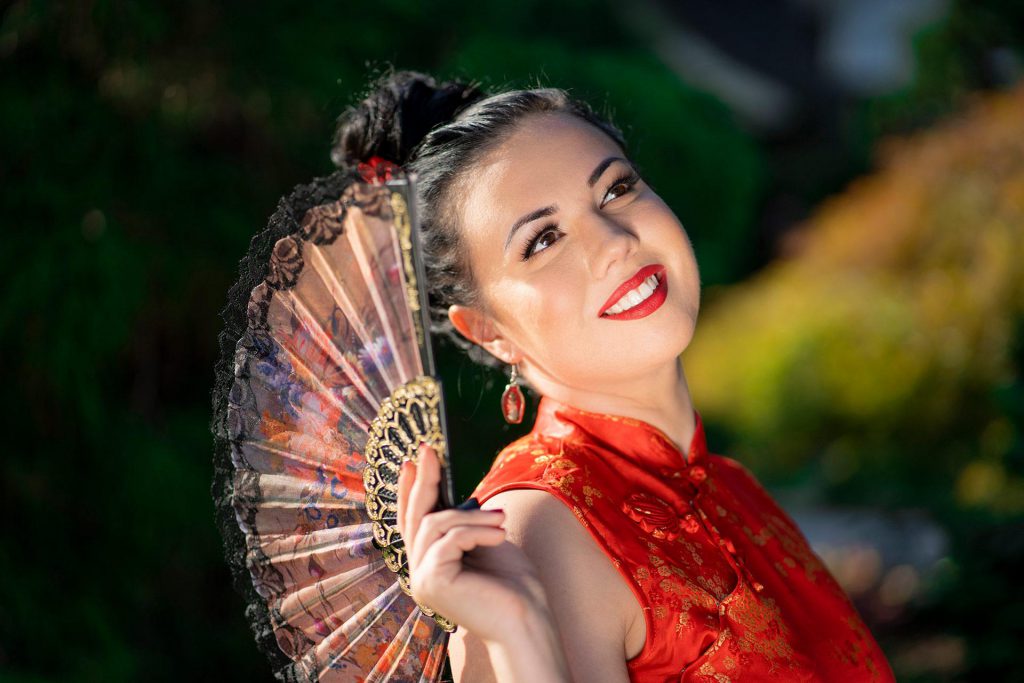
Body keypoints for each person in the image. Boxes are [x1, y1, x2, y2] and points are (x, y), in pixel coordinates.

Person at [332, 69, 896, 682]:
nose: (613, 242)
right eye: (543, 240)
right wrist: (520, 633)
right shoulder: (534, 530)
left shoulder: (727, 484)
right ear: (487, 330)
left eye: (616, 188)